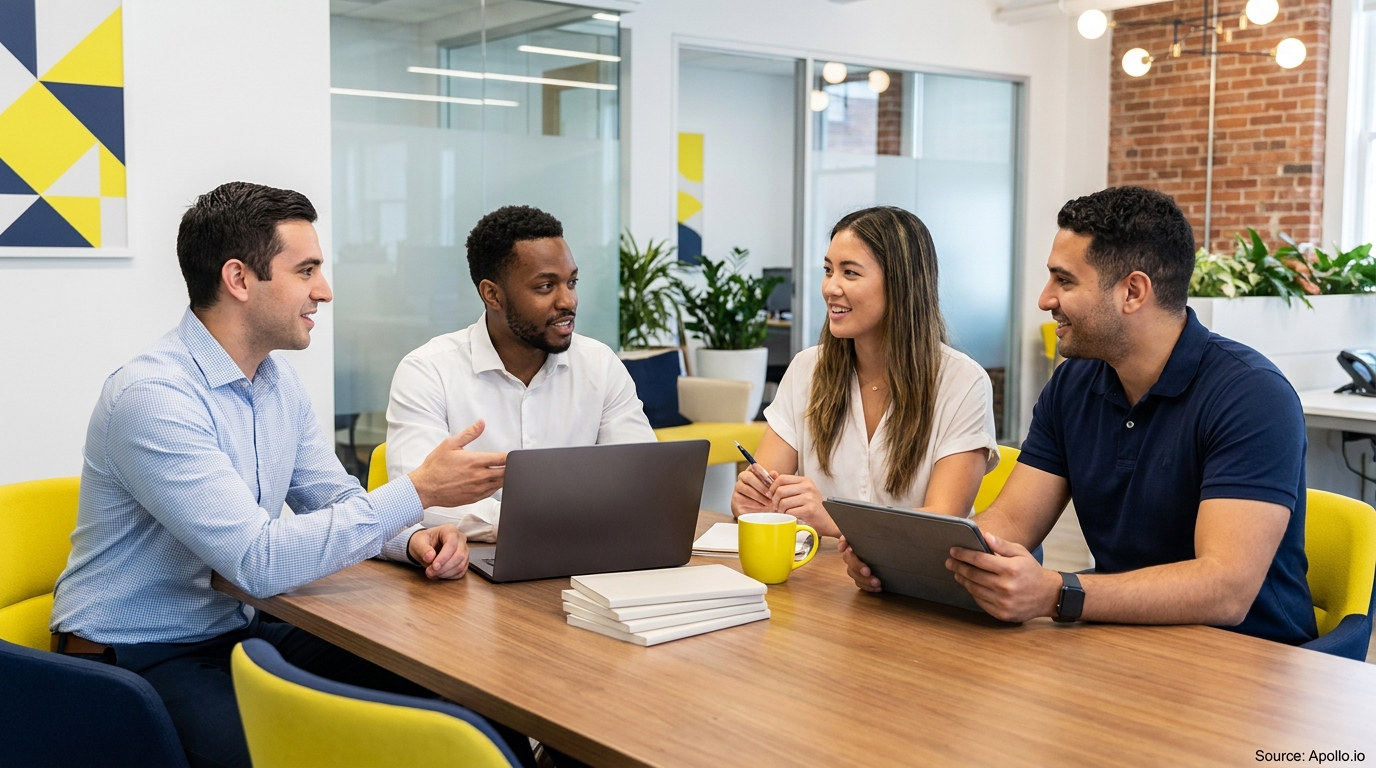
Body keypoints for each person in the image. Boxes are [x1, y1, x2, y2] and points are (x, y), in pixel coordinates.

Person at [49, 182, 511, 768]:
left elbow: (331, 497)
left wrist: (411, 538)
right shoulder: (154, 396)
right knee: (304, 755)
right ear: (239, 279)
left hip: (237, 628)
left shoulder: (273, 381)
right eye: (307, 270)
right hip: (135, 656)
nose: (325, 291)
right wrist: (418, 491)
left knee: (455, 698)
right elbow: (257, 561)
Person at [843, 186, 1318, 646]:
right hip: (1123, 639)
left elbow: (1225, 589)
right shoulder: (1074, 385)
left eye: (1064, 280)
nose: (1045, 299)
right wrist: (902, 560)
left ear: (1133, 292)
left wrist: (1057, 592)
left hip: (1248, 659)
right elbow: (1010, 522)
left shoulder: (1252, 396)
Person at [384, 205, 655, 548]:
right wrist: (539, 524)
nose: (568, 301)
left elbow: (644, 480)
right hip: (469, 574)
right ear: (492, 294)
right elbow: (415, 500)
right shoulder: (428, 371)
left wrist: (555, 524)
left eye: (571, 282)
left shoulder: (599, 365)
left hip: (585, 559)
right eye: (545, 286)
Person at [732, 206, 999, 537]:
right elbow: (767, 489)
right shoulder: (806, 369)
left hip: (917, 583)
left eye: (850, 273)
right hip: (820, 575)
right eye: (829, 270)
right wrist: (755, 501)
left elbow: (943, 522)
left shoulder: (963, 382)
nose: (831, 287)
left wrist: (834, 519)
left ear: (901, 284)